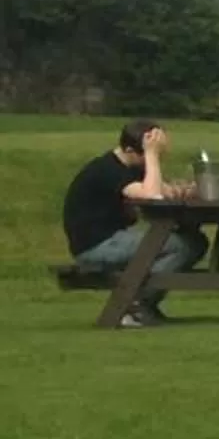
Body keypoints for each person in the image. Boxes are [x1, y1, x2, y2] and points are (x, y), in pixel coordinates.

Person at [62, 120, 203, 327]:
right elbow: (153, 195)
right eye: (145, 154)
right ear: (129, 150)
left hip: (113, 239)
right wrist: (152, 156)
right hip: (96, 246)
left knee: (195, 241)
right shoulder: (108, 170)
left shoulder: (132, 167)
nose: (151, 159)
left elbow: (166, 191)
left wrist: (184, 188)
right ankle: (136, 305)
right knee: (181, 245)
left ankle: (141, 303)